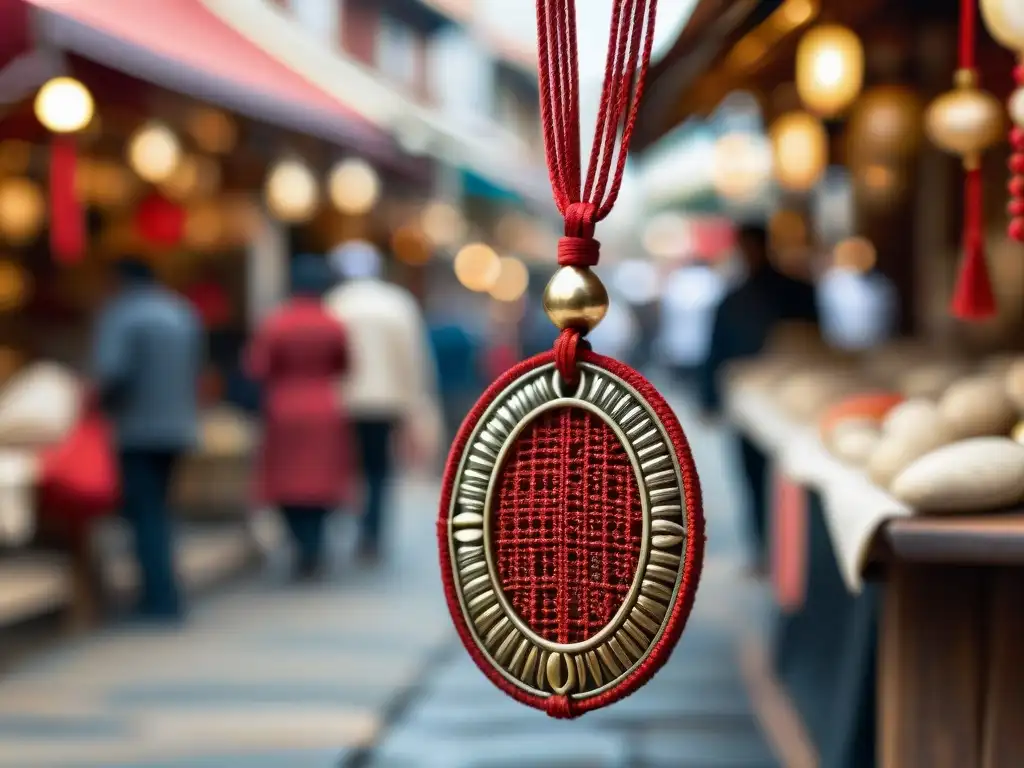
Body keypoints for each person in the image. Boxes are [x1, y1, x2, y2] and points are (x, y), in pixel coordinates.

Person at [698, 224, 819, 572]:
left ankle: (785, 556)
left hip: (792, 400)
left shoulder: (797, 291)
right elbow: (715, 351)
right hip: (745, 401)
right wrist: (710, 398)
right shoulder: (732, 298)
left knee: (787, 481)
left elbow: (813, 342)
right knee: (751, 478)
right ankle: (764, 549)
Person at [92, 257, 203, 620]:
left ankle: (158, 597)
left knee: (144, 513)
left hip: (137, 429)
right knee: (160, 510)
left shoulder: (124, 314)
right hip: (178, 426)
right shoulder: (181, 312)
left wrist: (95, 407)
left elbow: (112, 372)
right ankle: (166, 590)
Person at [325, 241, 440, 563]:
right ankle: (372, 534)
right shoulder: (397, 303)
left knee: (350, 468)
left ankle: (352, 528)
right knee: (378, 470)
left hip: (345, 400)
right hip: (387, 402)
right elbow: (413, 359)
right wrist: (415, 403)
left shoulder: (336, 303)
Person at [245, 255, 352, 580]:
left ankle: (301, 543)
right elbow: (345, 365)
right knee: (320, 483)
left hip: (285, 407)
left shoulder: (277, 322)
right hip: (324, 407)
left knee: (287, 483)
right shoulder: (333, 323)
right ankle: (313, 545)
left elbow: (257, 367)